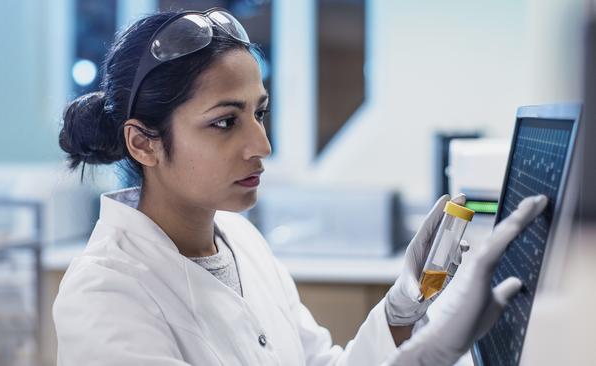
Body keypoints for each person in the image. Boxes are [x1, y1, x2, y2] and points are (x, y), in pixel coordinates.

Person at [53, 8, 548, 366]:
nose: (262, 144)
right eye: (225, 122)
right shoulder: (104, 293)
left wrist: (405, 307)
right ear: (143, 143)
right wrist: (426, 359)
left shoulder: (241, 240)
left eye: (259, 112)